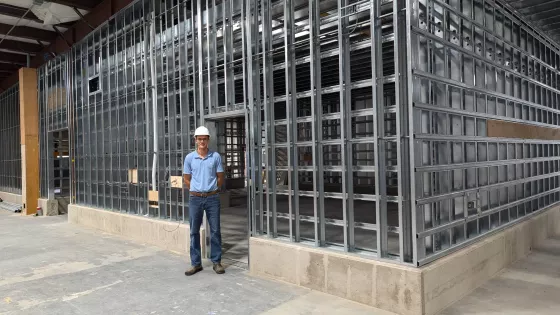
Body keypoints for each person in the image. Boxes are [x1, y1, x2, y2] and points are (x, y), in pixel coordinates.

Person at [183, 126, 225, 276]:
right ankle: (196, 264)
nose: (202, 141)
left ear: (208, 140)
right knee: (194, 231)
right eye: (199, 139)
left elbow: (220, 176)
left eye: (204, 139)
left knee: (215, 230)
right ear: (195, 140)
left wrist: (212, 188)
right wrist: (196, 188)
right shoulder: (189, 158)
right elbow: (186, 179)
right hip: (195, 198)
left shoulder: (215, 157)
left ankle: (216, 262)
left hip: (212, 198)